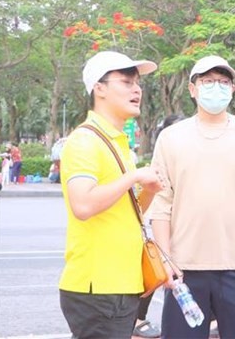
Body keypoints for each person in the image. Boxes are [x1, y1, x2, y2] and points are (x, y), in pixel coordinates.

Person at [149, 55, 235, 338]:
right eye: (207, 81)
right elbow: (162, 203)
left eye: (223, 82)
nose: (216, 88)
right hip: (185, 268)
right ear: (192, 89)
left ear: (233, 89)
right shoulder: (171, 137)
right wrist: (166, 260)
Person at [58, 50, 163, 338]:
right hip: (98, 287)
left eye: (138, 82)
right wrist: (134, 176)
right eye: (126, 81)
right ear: (99, 88)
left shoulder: (116, 142)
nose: (137, 89)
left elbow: (123, 212)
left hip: (120, 284)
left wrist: (149, 192)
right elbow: (83, 204)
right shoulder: (85, 141)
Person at [133, 113, 185, 339]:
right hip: (163, 223)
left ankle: (208, 316)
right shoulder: (158, 162)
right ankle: (137, 317)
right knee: (155, 270)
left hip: (186, 225)